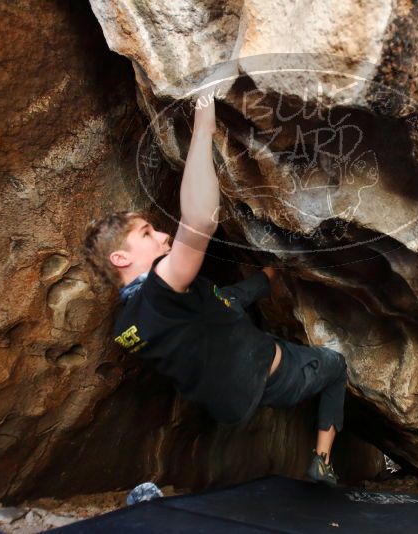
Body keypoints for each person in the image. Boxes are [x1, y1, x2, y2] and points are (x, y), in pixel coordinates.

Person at [82, 85, 347, 486]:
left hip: (230, 405)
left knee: (222, 306)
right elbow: (201, 221)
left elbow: (221, 304)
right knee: (335, 366)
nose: (164, 237)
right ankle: (322, 462)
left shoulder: (128, 327)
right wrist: (203, 124)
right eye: (147, 232)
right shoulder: (160, 288)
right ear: (120, 258)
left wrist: (270, 277)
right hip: (274, 372)